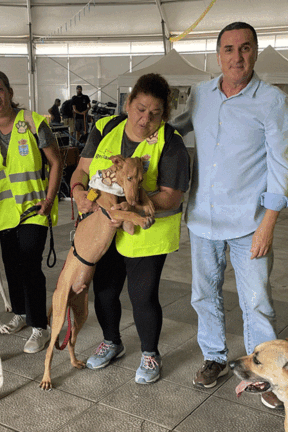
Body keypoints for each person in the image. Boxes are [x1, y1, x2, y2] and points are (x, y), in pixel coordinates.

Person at [172, 21, 288, 408]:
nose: (237, 56)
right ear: (218, 55)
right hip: (202, 219)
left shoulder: (273, 101)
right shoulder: (200, 94)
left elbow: (282, 166)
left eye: (245, 48)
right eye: (229, 49)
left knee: (256, 301)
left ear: (255, 52)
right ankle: (215, 358)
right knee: (204, 295)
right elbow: (174, 130)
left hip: (249, 222)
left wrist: (268, 224)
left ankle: (265, 372)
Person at [69, 73, 190, 384]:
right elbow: (82, 170)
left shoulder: (171, 143)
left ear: (165, 115)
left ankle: (150, 353)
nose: (145, 119)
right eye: (140, 109)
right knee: (104, 290)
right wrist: (79, 193)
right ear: (128, 104)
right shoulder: (105, 128)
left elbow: (171, 196)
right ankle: (112, 342)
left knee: (142, 295)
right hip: (105, 228)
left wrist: (132, 206)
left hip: (148, 232)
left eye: (155, 113)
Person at [0, 70, 63, 354]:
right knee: (11, 265)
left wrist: (49, 199)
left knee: (29, 263)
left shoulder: (33, 122)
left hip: (34, 208)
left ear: (9, 92)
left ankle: (40, 327)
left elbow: (57, 163)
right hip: (3, 212)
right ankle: (21, 312)